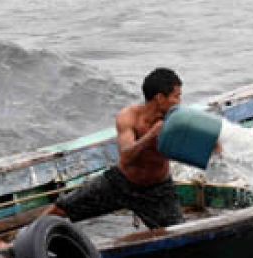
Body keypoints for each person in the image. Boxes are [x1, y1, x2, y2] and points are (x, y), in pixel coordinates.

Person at [46, 67, 187, 230]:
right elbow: (126, 156)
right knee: (62, 207)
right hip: (121, 183)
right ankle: (20, 242)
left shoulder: (177, 120)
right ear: (160, 98)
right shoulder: (129, 117)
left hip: (158, 190)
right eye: (176, 97)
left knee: (178, 232)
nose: (179, 102)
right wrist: (150, 136)